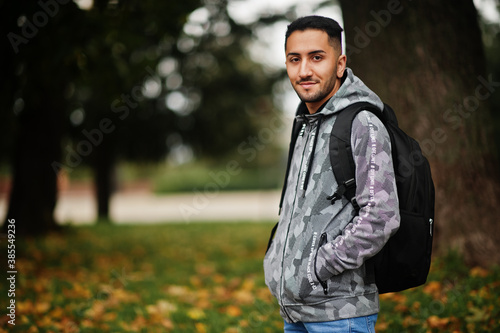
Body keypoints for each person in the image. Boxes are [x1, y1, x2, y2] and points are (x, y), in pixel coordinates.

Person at [263, 15, 400, 333]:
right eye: (294, 59)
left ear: (340, 64)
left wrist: (317, 267)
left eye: (316, 57)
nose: (304, 70)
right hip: (296, 312)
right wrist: (275, 263)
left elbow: (381, 215)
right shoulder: (306, 123)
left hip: (341, 314)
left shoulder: (362, 123)